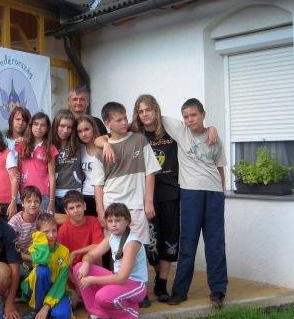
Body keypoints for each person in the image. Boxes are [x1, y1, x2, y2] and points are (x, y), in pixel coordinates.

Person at [162, 98, 227, 308]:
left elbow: (220, 168)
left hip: (214, 194)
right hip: (190, 193)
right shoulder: (181, 131)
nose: (190, 119)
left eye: (194, 115)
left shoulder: (214, 138)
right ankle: (180, 291)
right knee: (188, 242)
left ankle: (218, 291)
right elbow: (153, 115)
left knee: (215, 243)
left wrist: (222, 193)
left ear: (203, 114)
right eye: (186, 116)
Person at [131, 95, 179, 303]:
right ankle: (157, 274)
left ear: (155, 110)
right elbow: (108, 137)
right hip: (144, 195)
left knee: (169, 239)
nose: (145, 114)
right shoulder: (135, 134)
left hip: (170, 193)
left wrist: (211, 129)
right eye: (140, 111)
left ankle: (162, 283)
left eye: (148, 110)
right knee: (151, 243)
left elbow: (196, 129)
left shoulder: (171, 129)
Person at [92, 102, 160, 244]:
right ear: (107, 123)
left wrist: (148, 201)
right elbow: (98, 184)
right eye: (119, 120)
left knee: (139, 249)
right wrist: (100, 211)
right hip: (111, 207)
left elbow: (150, 172)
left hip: (137, 207)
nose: (124, 122)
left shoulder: (140, 140)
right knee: (116, 250)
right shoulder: (100, 150)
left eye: (125, 118)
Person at [74, 203, 148, 319]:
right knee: (79, 268)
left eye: (117, 220)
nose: (113, 224)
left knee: (102, 296)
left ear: (127, 221)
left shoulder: (132, 243)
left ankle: (131, 314)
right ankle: (99, 311)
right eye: (110, 221)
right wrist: (86, 263)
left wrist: (92, 279)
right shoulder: (111, 237)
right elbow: (90, 255)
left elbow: (122, 278)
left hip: (136, 285)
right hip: (119, 279)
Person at [20, 213, 72, 319]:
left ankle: (47, 308)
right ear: (39, 233)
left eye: (54, 230)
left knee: (63, 317)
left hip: (56, 288)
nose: (51, 235)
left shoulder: (64, 251)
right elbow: (43, 260)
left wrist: (46, 306)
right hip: (36, 288)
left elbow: (61, 281)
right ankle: (36, 308)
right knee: (42, 270)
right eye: (46, 232)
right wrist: (40, 239)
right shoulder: (36, 248)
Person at [16, 112, 58, 213]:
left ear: (47, 128)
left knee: (42, 222)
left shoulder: (50, 148)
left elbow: (52, 176)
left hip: (43, 195)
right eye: (36, 124)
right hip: (25, 194)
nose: (39, 128)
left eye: (43, 125)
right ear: (31, 126)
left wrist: (52, 201)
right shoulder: (22, 145)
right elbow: (18, 170)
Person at [58, 190, 104, 267]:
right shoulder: (63, 229)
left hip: (90, 263)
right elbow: (60, 256)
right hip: (72, 266)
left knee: (97, 254)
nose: (76, 211)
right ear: (66, 211)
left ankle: (99, 274)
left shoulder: (93, 221)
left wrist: (76, 252)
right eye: (71, 208)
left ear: (84, 206)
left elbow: (99, 245)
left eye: (78, 206)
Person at [52, 110, 83, 213]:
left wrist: (105, 143)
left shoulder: (79, 143)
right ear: (56, 125)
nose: (65, 130)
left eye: (69, 127)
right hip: (55, 194)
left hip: (75, 193)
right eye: (62, 126)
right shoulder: (49, 145)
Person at [8, 185, 42, 279]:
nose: (33, 204)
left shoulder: (41, 215)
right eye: (29, 201)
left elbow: (55, 217)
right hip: (19, 260)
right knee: (26, 273)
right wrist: (34, 259)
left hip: (36, 255)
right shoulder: (14, 223)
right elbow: (13, 251)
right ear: (22, 203)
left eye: (36, 201)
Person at [76, 115, 101, 217]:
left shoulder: (104, 146)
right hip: (86, 195)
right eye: (79, 131)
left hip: (104, 195)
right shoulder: (80, 149)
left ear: (93, 128)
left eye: (86, 129)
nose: (83, 134)